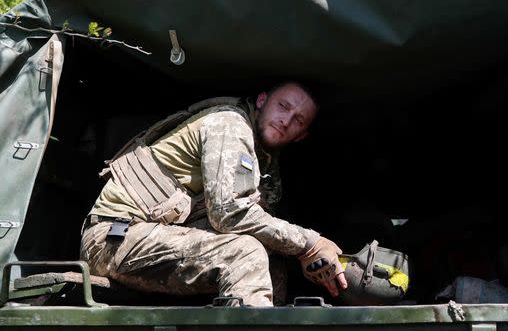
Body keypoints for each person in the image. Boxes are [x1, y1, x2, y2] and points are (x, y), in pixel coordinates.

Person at [79, 81, 347, 306]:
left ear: (301, 136)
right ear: (262, 100)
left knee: (271, 256)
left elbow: (257, 220)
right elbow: (229, 214)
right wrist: (310, 243)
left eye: (298, 120)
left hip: (147, 236)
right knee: (244, 253)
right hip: (112, 238)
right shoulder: (230, 124)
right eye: (283, 106)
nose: (286, 120)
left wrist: (306, 255)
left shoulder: (262, 157)